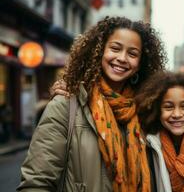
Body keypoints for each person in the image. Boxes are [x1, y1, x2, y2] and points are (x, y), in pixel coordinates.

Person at [18, 16, 166, 192]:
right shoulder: (65, 104)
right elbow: (36, 182)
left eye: (132, 53)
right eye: (115, 48)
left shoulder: (147, 111)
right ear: (99, 50)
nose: (122, 58)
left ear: (141, 63)